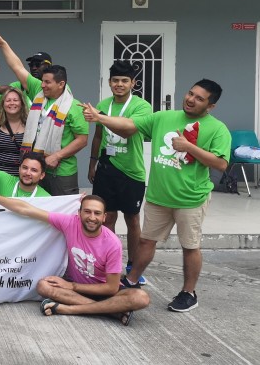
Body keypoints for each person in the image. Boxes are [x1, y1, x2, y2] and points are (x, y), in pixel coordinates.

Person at [82, 79, 231, 312]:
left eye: (199, 98)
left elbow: (221, 164)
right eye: (190, 93)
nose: (191, 99)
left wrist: (189, 147)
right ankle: (131, 281)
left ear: (210, 106)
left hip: (190, 199)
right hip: (159, 196)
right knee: (146, 241)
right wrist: (100, 117)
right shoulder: (163, 117)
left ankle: (188, 292)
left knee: (190, 246)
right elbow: (129, 125)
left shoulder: (218, 128)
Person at [0, 190, 149, 325]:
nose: (91, 217)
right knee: (43, 285)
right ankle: (113, 311)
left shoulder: (112, 242)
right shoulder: (70, 223)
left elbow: (111, 287)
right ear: (79, 213)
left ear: (104, 217)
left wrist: (72, 286)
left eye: (97, 213)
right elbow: (26, 209)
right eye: (87, 211)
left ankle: (70, 309)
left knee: (140, 297)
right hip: (77, 291)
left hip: (100, 291)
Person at [0, 32, 88, 195]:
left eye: (48, 82)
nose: (43, 85)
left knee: (61, 213)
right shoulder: (38, 92)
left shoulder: (74, 106)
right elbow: (17, 67)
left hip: (61, 171)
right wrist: (4, 45)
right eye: (42, 82)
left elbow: (82, 140)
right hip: (36, 167)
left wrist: (57, 156)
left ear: (61, 84)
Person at [87, 61, 153, 284]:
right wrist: (92, 163)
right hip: (107, 168)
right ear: (109, 83)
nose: (119, 84)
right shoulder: (103, 104)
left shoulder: (142, 106)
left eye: (124, 80)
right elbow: (98, 135)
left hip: (132, 171)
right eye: (115, 80)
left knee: (132, 218)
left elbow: (129, 128)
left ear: (133, 83)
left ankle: (134, 265)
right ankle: (109, 262)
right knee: (108, 217)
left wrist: (99, 117)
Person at [0, 87, 29, 177]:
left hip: (21, 176)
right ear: (3, 104)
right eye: (8, 100)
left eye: (15, 100)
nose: (12, 103)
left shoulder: (29, 122)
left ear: (22, 103)